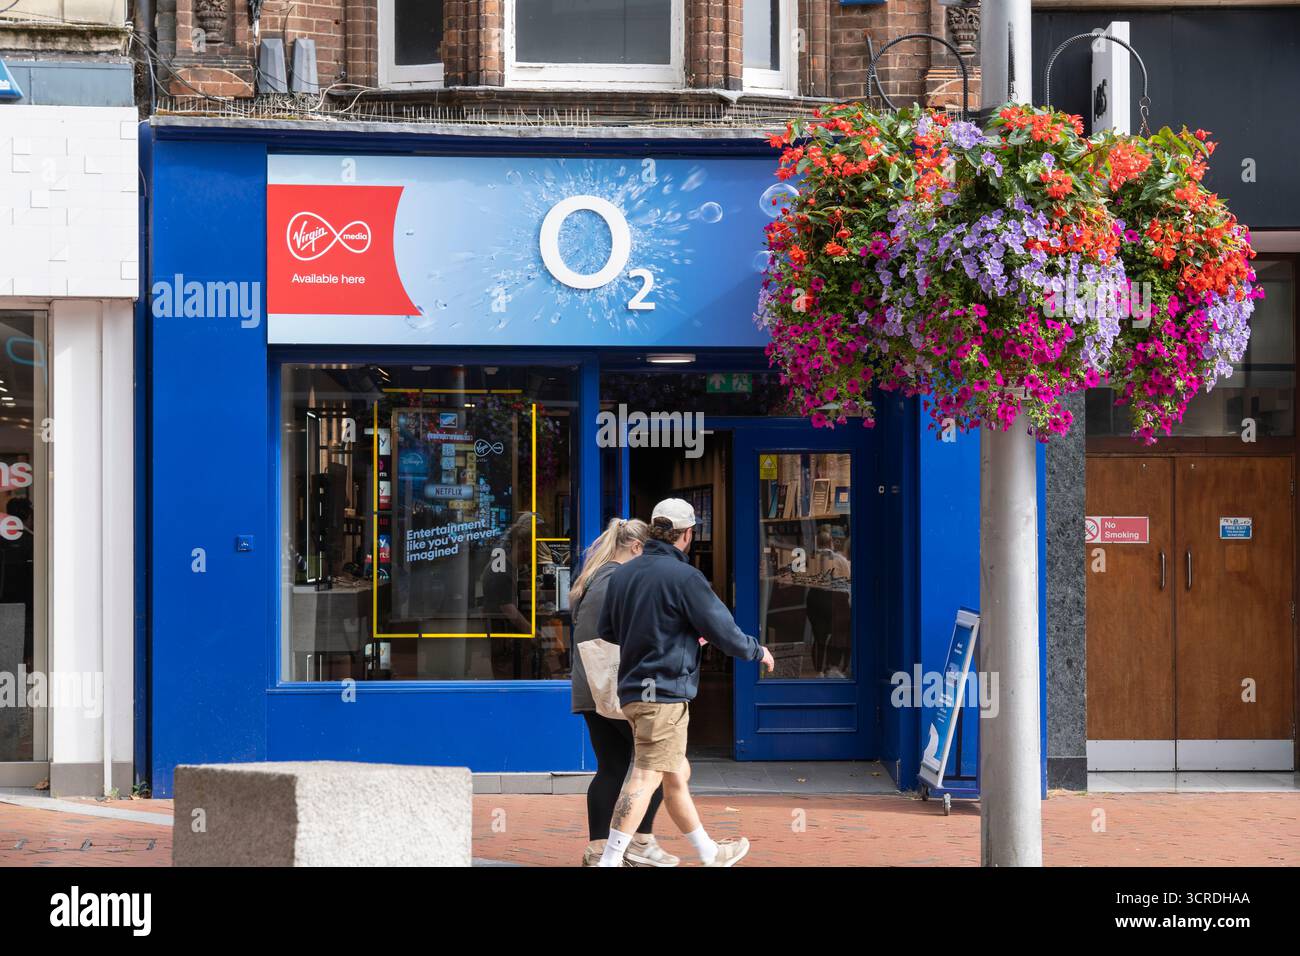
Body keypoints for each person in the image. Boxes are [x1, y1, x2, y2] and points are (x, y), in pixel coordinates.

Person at [595, 498, 775, 867]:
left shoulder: (623, 573)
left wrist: (665, 633)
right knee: (646, 776)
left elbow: (608, 631)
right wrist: (758, 652)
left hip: (632, 690)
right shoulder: (686, 578)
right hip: (664, 691)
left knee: (676, 773)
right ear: (688, 534)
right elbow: (724, 631)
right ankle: (609, 861)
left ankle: (710, 853)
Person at [569, 517, 678, 867]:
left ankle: (598, 848)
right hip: (619, 689)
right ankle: (640, 842)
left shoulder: (591, 579)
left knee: (611, 768)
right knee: (656, 763)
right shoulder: (619, 580)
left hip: (591, 688)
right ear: (635, 548)